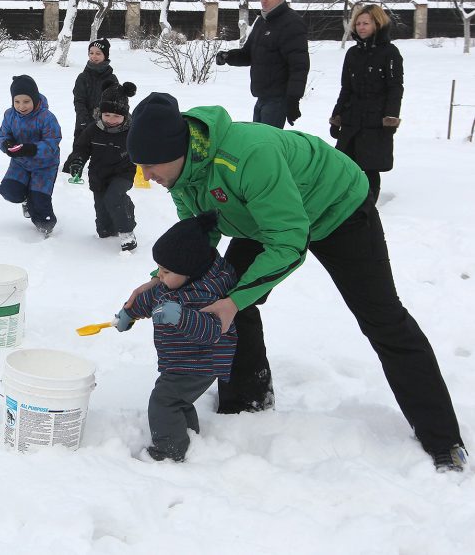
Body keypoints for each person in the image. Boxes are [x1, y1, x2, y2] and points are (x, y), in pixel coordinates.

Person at [123, 91, 467, 472]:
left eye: (151, 166)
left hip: (337, 207)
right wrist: (159, 282)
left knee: (383, 319)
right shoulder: (182, 175)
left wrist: (235, 300)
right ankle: (247, 405)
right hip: (262, 217)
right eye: (142, 167)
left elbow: (288, 241)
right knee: (224, 296)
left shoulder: (249, 157)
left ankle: (444, 439)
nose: (147, 177)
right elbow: (194, 242)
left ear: (179, 149)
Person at [114, 211, 238, 462]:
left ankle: (168, 452)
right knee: (177, 400)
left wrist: (182, 316)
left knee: (164, 401)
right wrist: (129, 312)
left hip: (201, 361)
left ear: (191, 270)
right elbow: (152, 296)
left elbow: (213, 331)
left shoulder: (206, 294)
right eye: (159, 268)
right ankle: (189, 436)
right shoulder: (175, 282)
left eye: (165, 271)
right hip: (182, 357)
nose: (159, 275)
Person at [330, 4, 404, 203]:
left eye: (366, 23)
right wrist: (336, 117)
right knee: (344, 164)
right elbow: (346, 88)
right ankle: (344, 204)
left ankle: (368, 207)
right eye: (358, 23)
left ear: (377, 24)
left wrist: (390, 118)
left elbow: (395, 88)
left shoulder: (390, 53)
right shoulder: (352, 54)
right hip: (352, 117)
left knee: (370, 165)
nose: (361, 27)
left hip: (375, 121)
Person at [215, 0, 309, 128]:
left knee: (266, 146)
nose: (264, 0)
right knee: (258, 143)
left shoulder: (292, 23)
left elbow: (299, 66)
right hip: (261, 97)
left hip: (278, 100)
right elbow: (249, 54)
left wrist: (293, 99)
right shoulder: (262, 21)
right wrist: (228, 56)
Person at [63, 81, 139, 251]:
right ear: (101, 113)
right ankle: (116, 219)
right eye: (107, 115)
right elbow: (81, 148)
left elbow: (143, 148)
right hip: (98, 175)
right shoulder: (93, 129)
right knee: (104, 229)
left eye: (117, 116)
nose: (111, 120)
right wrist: (77, 162)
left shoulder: (131, 131)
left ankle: (127, 232)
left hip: (123, 173)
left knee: (114, 197)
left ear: (125, 116)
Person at [0, 75, 62, 237]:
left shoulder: (46, 117)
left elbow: (52, 143)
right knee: (9, 191)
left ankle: (45, 224)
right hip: (20, 163)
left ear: (34, 98)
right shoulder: (9, 115)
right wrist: (7, 145)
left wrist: (31, 149)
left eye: (26, 101)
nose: (21, 106)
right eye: (17, 101)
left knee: (40, 202)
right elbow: (2, 136)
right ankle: (27, 199)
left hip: (45, 165)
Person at [72, 38, 119, 138]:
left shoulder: (111, 78)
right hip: (83, 125)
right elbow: (79, 101)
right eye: (91, 53)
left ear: (105, 56)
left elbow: (116, 103)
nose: (94, 56)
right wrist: (84, 121)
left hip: (105, 126)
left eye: (98, 53)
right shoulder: (83, 77)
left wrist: (107, 121)